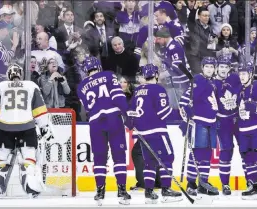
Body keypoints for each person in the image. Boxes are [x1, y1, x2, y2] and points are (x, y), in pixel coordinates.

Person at [0, 63, 54, 198]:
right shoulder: (30, 86)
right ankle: (31, 189)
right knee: (29, 158)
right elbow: (39, 110)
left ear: (8, 75)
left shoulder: (1, 86)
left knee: (1, 159)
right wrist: (44, 127)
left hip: (4, 127)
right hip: (26, 127)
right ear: (20, 74)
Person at [77, 57, 131, 205]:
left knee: (99, 157)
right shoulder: (108, 75)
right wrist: (127, 114)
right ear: (98, 67)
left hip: (95, 122)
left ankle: (100, 192)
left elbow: (88, 108)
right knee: (119, 155)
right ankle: (122, 191)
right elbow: (118, 96)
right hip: (113, 118)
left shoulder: (81, 86)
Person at [128, 64, 182, 204]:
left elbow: (130, 114)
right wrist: (179, 113)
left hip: (142, 134)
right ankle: (166, 189)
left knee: (149, 162)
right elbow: (163, 113)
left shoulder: (138, 90)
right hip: (157, 132)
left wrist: (133, 126)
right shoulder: (158, 89)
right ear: (156, 75)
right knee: (167, 158)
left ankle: (149, 191)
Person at [179, 57, 219, 197]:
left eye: (211, 66)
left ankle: (203, 183)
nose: (209, 69)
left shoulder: (211, 82)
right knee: (196, 154)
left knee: (207, 155)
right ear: (202, 67)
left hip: (211, 123)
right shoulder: (198, 80)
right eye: (207, 66)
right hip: (199, 123)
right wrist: (187, 114)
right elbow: (184, 100)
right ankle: (191, 183)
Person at [213, 56, 246, 195]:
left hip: (237, 119)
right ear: (217, 67)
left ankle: (252, 181)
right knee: (226, 152)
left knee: (245, 150)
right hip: (222, 122)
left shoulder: (234, 78)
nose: (223, 69)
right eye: (221, 66)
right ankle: (225, 184)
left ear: (229, 68)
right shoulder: (212, 83)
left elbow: (245, 85)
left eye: (226, 67)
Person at [237, 62, 257, 199]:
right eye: (240, 74)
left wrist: (256, 106)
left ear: (250, 74)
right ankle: (254, 186)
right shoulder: (240, 90)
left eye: (244, 73)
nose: (242, 76)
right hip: (243, 130)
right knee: (248, 158)